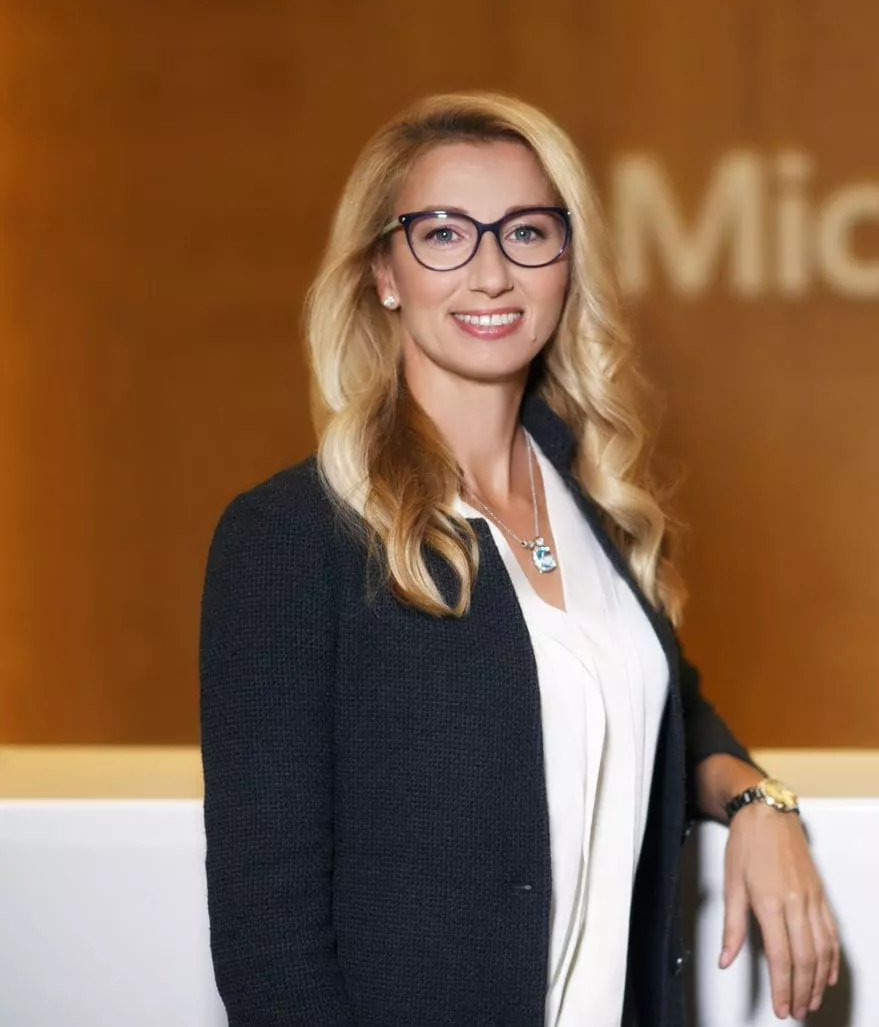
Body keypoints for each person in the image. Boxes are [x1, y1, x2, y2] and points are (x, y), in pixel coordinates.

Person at [198, 91, 839, 1026]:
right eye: (444, 234)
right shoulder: (292, 537)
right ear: (383, 271)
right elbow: (270, 947)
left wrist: (759, 804)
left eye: (528, 232)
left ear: (566, 261)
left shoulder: (593, 500)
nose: (492, 272)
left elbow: (669, 705)